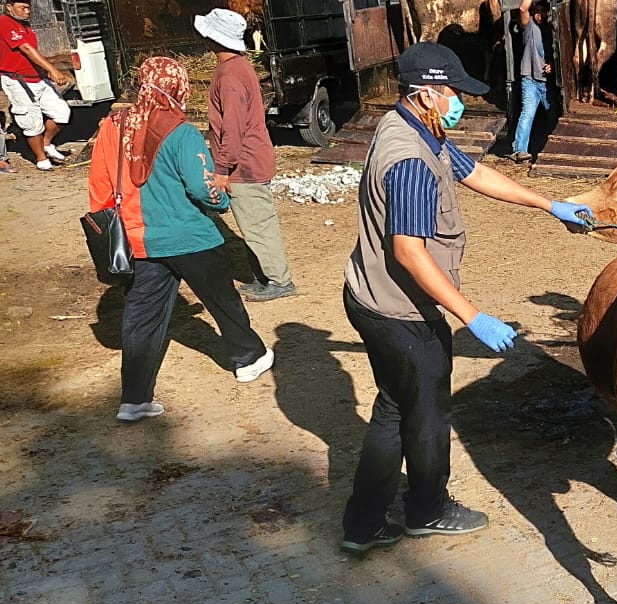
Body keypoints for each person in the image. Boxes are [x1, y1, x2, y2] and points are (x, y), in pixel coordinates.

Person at [340, 42, 591, 553]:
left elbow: (474, 173)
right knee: (427, 413)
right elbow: (408, 251)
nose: (460, 101)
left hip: (370, 295)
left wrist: (548, 205)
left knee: (394, 406)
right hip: (400, 310)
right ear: (427, 93)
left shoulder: (415, 126)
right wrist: (472, 316)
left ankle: (362, 526)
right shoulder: (409, 158)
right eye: (453, 92)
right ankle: (426, 510)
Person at [88, 57, 275, 423]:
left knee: (141, 316)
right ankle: (248, 359)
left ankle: (134, 399)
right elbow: (203, 188)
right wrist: (221, 200)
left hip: (139, 240)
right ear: (179, 87)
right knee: (223, 301)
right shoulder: (181, 130)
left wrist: (117, 223)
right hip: (190, 237)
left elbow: (99, 185)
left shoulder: (113, 126)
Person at [195, 8, 297, 302]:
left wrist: (222, 167)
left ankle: (279, 281)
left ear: (213, 39)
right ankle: (265, 277)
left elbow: (234, 126)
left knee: (258, 224)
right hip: (248, 159)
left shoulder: (229, 76)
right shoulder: (237, 67)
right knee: (253, 223)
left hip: (245, 164)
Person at [1, 0, 73, 171]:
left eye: (28, 7)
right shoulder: (5, 22)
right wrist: (53, 69)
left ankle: (46, 143)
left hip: (37, 78)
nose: (27, 11)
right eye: (22, 8)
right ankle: (41, 159)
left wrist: (44, 69)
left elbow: (33, 52)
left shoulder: (26, 26)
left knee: (61, 112)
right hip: (18, 80)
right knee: (31, 120)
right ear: (9, 7)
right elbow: (25, 48)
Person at [509, 0, 551, 162]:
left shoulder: (553, 29)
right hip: (530, 79)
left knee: (553, 116)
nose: (540, 14)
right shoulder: (529, 26)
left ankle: (549, 149)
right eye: (537, 11)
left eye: (543, 11)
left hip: (548, 82)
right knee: (527, 114)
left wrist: (552, 66)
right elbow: (522, 8)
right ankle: (520, 150)